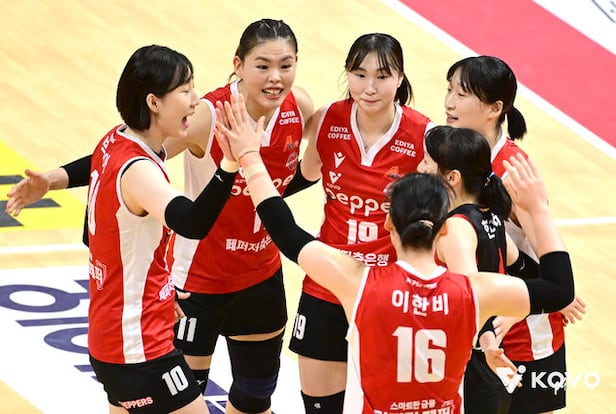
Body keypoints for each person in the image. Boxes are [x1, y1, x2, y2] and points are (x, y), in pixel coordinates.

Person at [6, 19, 315, 414]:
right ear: (238, 65)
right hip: (194, 286)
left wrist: (52, 180)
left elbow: (302, 171)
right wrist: (233, 163)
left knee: (255, 397)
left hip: (256, 276)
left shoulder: (298, 107)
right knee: (182, 395)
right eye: (263, 66)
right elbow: (182, 214)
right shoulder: (200, 121)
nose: (275, 77)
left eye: (286, 65)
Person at [214, 93, 575, 414]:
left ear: (388, 223)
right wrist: (538, 209)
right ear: (443, 228)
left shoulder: (359, 283)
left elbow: (285, 230)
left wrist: (249, 156)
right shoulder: (473, 291)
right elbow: (560, 290)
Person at [86, 44, 241, 414]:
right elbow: (191, 222)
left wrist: (155, 287)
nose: (195, 100)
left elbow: (95, 235)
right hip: (137, 348)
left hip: (114, 336)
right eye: (185, 90)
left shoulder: (114, 140)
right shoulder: (138, 170)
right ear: (154, 102)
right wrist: (230, 163)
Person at [284, 32, 432, 413]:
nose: (369, 87)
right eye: (359, 74)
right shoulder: (328, 120)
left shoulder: (424, 136)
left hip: (390, 291)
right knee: (319, 406)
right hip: (328, 282)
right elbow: (302, 175)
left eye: (382, 76)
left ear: (400, 78)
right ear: (347, 73)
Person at [444, 55, 586, 414]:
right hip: (477, 323)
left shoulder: (512, 171)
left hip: (524, 335)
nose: (449, 102)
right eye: (449, 91)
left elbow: (546, 253)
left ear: (495, 109)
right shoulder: (451, 153)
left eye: (461, 94)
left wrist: (549, 298)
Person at [419, 125, 543, 413]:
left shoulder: (456, 228)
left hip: (468, 369)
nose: (419, 168)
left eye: (426, 162)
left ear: (452, 177)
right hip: (489, 370)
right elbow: (529, 271)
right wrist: (521, 308)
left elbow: (471, 296)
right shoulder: (493, 218)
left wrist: (487, 340)